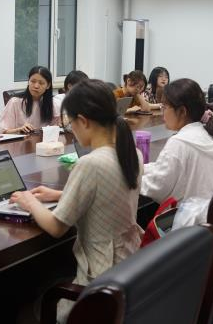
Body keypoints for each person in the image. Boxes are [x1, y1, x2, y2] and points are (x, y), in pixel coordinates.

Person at [10, 80, 143, 323]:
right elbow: (109, 193)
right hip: (127, 267)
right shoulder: (131, 153)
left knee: (22, 307)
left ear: (83, 121)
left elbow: (56, 227)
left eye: (70, 123)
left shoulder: (90, 163)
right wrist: (60, 194)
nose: (72, 129)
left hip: (96, 281)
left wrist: (29, 201)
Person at [140, 78, 213, 224]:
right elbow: (167, 169)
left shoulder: (180, 142)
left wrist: (132, 177)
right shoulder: (206, 133)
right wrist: (141, 168)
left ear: (182, 111)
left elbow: (158, 186)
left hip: (191, 226)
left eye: (165, 107)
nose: (162, 113)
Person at [0, 66, 60, 134]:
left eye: (41, 83)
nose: (36, 86)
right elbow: (3, 131)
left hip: (43, 140)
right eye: (33, 81)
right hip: (20, 140)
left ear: (48, 85)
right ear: (28, 82)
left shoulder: (52, 103)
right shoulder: (15, 102)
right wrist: (19, 129)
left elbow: (56, 127)